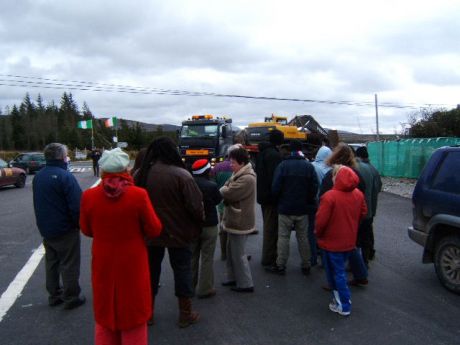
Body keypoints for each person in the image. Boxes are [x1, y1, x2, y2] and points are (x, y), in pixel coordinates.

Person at [80, 148, 163, 345]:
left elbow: (86, 229)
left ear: (102, 170)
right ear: (126, 169)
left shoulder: (89, 196)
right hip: (133, 262)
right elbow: (154, 229)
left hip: (103, 261)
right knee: (133, 315)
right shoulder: (138, 195)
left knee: (105, 316)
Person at [134, 137, 204, 328]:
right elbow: (196, 207)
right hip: (179, 233)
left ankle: (147, 314)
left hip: (149, 232)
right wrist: (198, 224)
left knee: (149, 272)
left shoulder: (140, 174)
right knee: (183, 270)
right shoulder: (182, 175)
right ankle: (185, 314)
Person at [32, 143, 85, 309]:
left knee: (52, 262)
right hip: (65, 228)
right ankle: (71, 297)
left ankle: (54, 294)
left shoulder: (39, 176)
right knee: (69, 263)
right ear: (62, 157)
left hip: (46, 227)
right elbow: (77, 205)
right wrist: (79, 224)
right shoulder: (65, 176)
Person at [315, 165, 367, 316]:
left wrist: (318, 233)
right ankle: (341, 301)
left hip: (331, 242)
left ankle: (343, 304)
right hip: (349, 240)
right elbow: (364, 212)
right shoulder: (358, 194)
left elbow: (321, 222)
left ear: (336, 178)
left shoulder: (329, 196)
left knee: (336, 273)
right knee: (339, 271)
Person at [319, 142, 369, 287]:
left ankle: (334, 283)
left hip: (334, 220)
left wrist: (319, 226)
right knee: (351, 246)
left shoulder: (332, 175)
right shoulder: (356, 174)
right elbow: (362, 198)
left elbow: (323, 198)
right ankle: (361, 275)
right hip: (352, 219)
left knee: (332, 252)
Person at [266, 140, 318, 275]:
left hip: (285, 208)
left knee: (283, 237)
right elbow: (314, 187)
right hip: (302, 208)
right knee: (303, 237)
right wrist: (308, 200)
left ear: (290, 150)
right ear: (301, 150)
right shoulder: (308, 166)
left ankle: (281, 265)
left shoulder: (283, 166)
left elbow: (275, 187)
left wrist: (278, 201)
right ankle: (306, 264)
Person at [220, 147, 256, 292]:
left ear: (241, 163)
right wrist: (225, 188)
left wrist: (224, 189)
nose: (230, 165)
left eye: (233, 162)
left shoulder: (247, 178)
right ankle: (233, 278)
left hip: (240, 220)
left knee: (238, 254)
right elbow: (227, 187)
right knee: (231, 252)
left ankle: (246, 284)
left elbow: (228, 192)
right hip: (235, 219)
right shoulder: (239, 173)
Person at [190, 159, 222, 298]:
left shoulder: (188, 184)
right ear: (207, 171)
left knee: (192, 257)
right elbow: (217, 200)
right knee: (207, 258)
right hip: (209, 225)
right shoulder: (211, 185)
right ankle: (205, 288)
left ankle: (189, 287)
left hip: (192, 226)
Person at [255, 129, 284, 267]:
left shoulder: (262, 153)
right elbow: (276, 179)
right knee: (271, 229)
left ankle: (269, 256)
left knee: (269, 227)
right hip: (271, 198)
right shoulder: (274, 155)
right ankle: (269, 258)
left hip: (262, 195)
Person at [355, 146, 382, 264]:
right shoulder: (374, 169)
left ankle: (363, 261)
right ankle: (370, 252)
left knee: (361, 234)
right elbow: (379, 187)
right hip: (372, 206)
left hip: (362, 208)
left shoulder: (358, 169)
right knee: (368, 230)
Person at [211, 147, 236, 260]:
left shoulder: (217, 167)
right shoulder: (238, 166)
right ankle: (234, 254)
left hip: (222, 203)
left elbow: (212, 185)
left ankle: (224, 254)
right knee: (236, 230)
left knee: (223, 228)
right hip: (236, 202)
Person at [310, 145, 333, 266]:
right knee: (326, 228)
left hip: (314, 201)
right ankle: (324, 255)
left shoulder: (311, 166)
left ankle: (314, 252)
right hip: (327, 202)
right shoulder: (332, 169)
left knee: (314, 227)